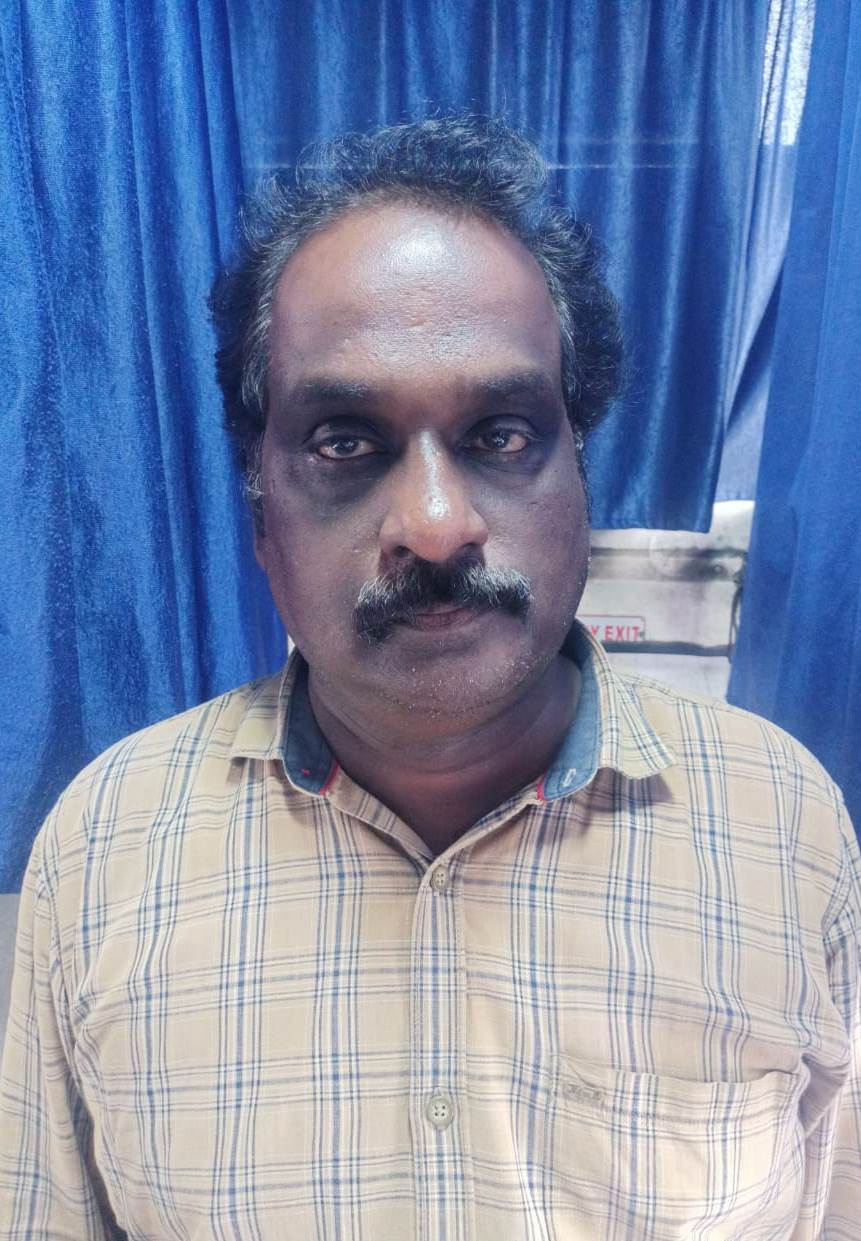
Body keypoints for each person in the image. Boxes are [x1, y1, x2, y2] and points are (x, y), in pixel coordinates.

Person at [1, 114, 859, 1240]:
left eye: (500, 434)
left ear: (580, 478)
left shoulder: (783, 826)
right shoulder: (105, 847)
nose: (438, 524)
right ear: (259, 510)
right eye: (345, 441)